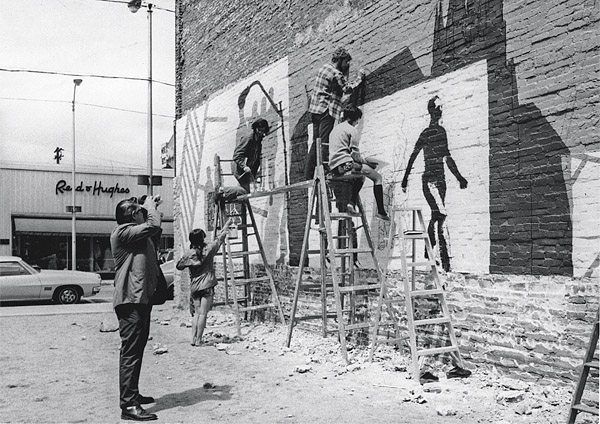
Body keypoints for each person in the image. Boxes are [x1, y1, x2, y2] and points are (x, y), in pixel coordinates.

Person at [111, 195, 163, 421]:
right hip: (130, 300)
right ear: (133, 215)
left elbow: (154, 230)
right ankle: (128, 405)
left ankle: (132, 394)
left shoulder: (138, 234)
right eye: (140, 210)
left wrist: (148, 205)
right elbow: (154, 225)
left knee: (137, 348)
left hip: (140, 299)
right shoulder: (123, 232)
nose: (145, 212)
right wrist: (150, 206)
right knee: (131, 352)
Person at [401, 96, 468, 272]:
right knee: (441, 214)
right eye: (438, 107)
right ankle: (437, 255)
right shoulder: (427, 133)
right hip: (430, 180)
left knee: (436, 215)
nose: (440, 110)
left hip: (441, 180)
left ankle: (433, 254)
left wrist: (459, 177)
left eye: (441, 107)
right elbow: (413, 155)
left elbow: (447, 157)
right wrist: (405, 178)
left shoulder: (441, 132)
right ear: (432, 110)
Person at [305, 47, 365, 180]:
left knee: (316, 142)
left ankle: (309, 173)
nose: (347, 65)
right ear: (340, 60)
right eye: (346, 62)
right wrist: (359, 78)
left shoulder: (324, 68)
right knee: (324, 142)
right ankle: (325, 169)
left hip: (315, 110)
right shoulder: (337, 74)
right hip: (327, 111)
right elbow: (347, 89)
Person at [329, 104, 390, 221]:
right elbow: (355, 155)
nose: (357, 123)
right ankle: (381, 211)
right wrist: (367, 162)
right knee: (377, 177)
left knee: (361, 177)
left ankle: (351, 204)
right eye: (358, 120)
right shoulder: (352, 130)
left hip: (335, 167)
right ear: (355, 118)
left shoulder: (335, 130)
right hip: (345, 165)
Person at [176, 218, 232, 346]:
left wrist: (190, 262)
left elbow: (179, 266)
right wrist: (227, 224)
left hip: (195, 286)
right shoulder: (209, 249)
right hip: (207, 284)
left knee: (196, 313)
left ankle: (193, 339)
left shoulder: (189, 254)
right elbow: (220, 238)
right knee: (203, 313)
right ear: (202, 239)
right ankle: (199, 339)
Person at [230, 118, 270, 194]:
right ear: (255, 128)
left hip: (248, 172)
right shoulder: (248, 138)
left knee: (245, 193)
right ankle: (223, 191)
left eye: (263, 131)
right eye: (259, 130)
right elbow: (236, 155)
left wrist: (255, 172)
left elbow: (256, 158)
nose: (260, 133)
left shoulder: (258, 140)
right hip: (240, 170)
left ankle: (242, 203)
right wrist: (244, 166)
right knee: (244, 192)